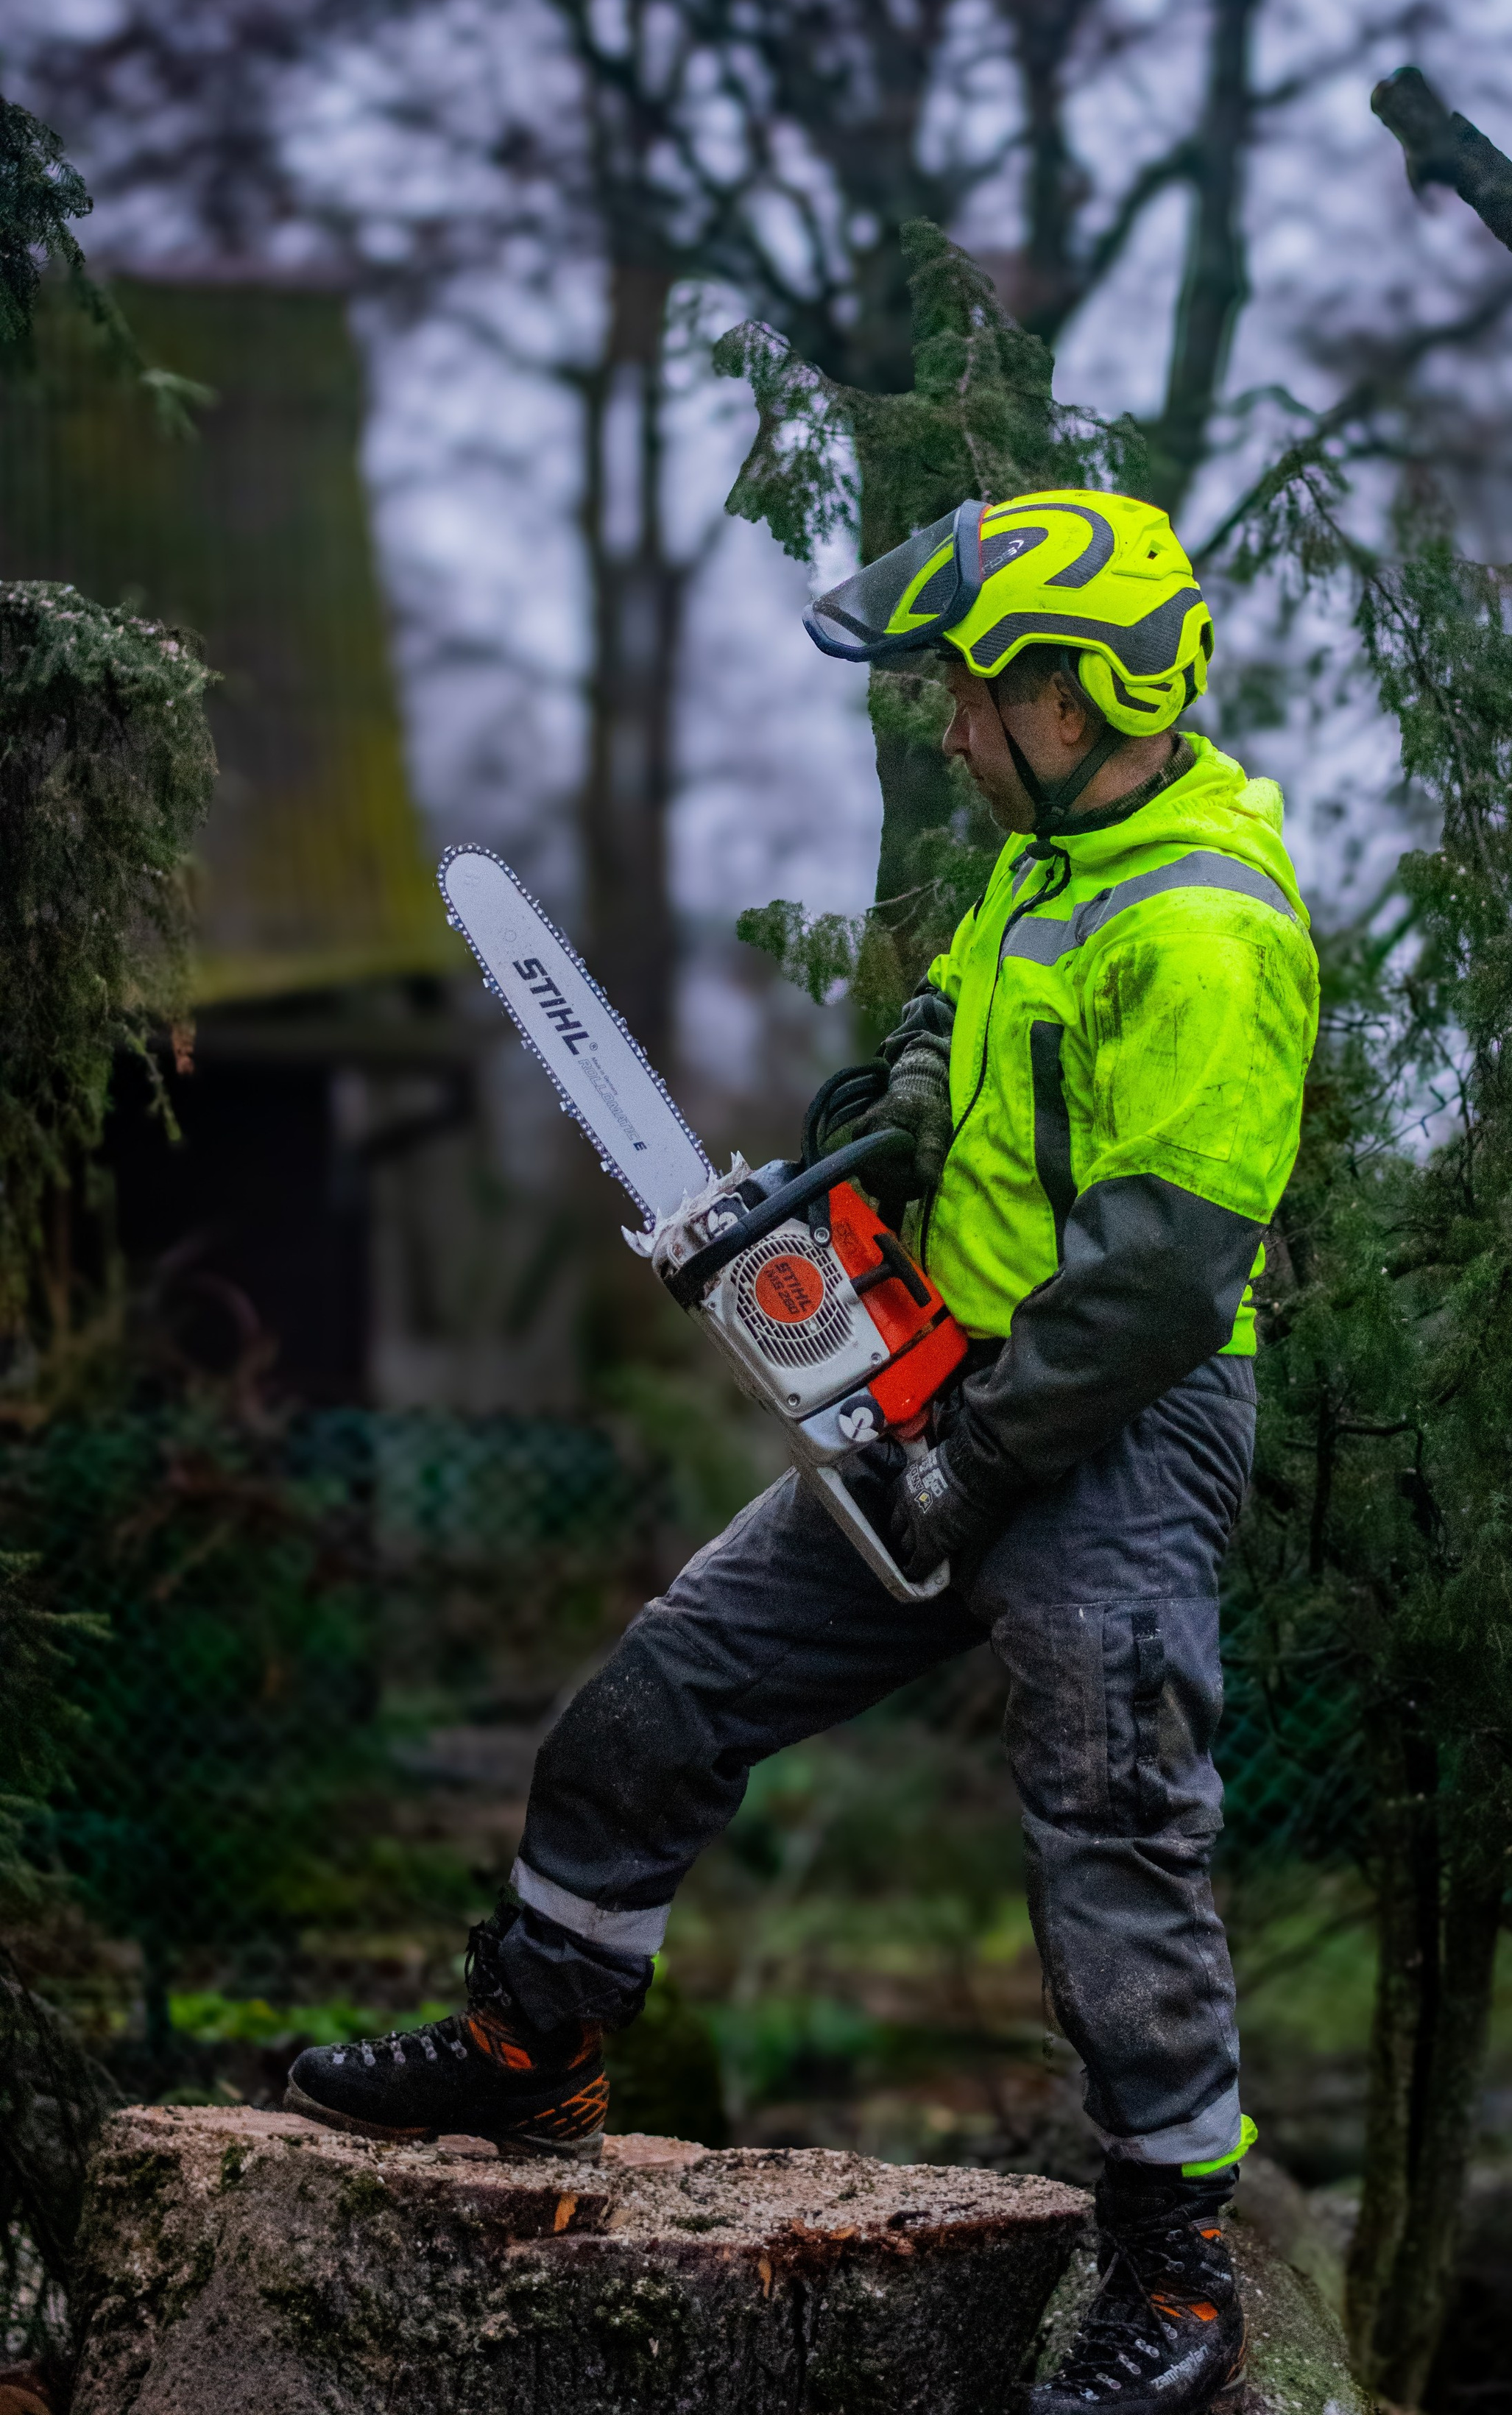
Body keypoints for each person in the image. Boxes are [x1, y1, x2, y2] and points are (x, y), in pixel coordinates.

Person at [287, 488, 1319, 2415]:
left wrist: (976, 1459)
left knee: (1115, 1827)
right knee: (664, 1692)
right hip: (959, 1390)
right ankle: (537, 2042)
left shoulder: (1206, 927)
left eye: (975, 693)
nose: (953, 725)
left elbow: (1163, 1281)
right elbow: (969, 1009)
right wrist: (916, 1087)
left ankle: (1180, 2271)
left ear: (1080, 700)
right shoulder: (1055, 860)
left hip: (1113, 1424)